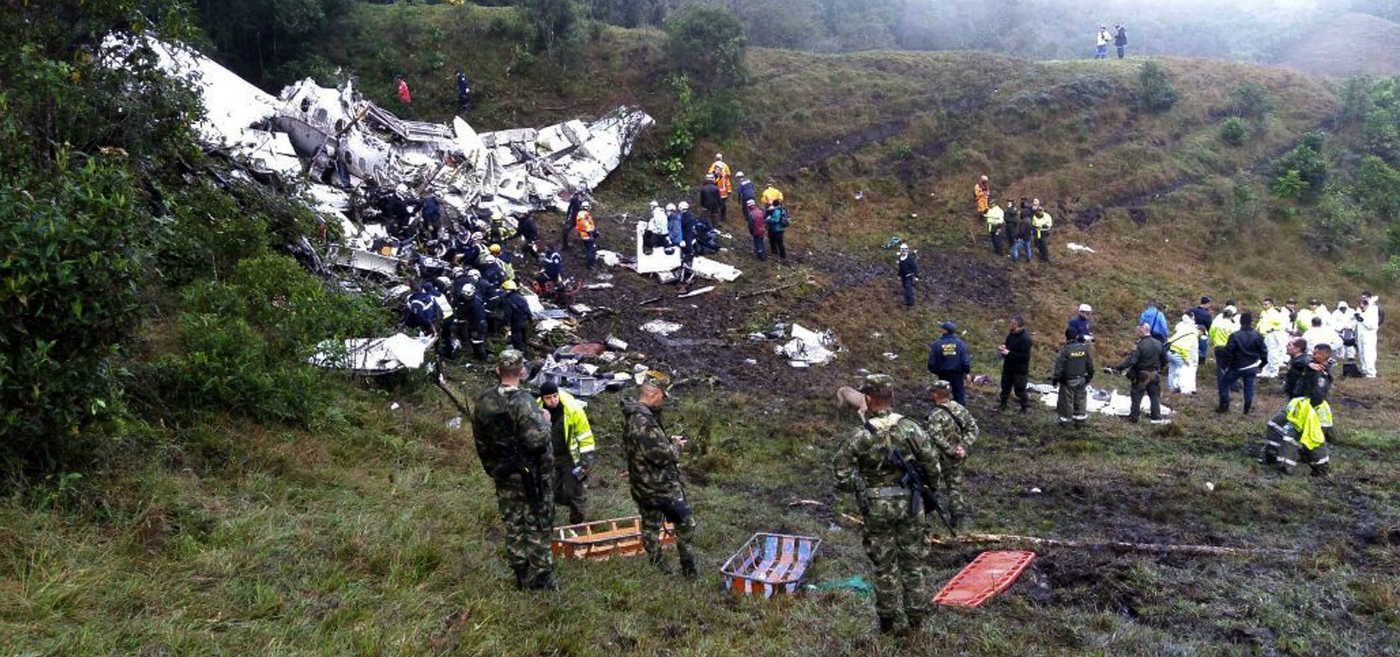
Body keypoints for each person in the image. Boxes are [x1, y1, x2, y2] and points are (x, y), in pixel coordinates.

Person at [833, 374, 940, 635]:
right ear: (891, 397)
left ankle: (887, 623)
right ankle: (916, 622)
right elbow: (933, 466)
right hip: (911, 505)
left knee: (884, 567)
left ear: (868, 399)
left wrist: (860, 487)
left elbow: (841, 473)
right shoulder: (912, 428)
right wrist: (927, 489)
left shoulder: (860, 435)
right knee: (913, 565)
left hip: (876, 507)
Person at [471, 349, 555, 590]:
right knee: (537, 522)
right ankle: (541, 577)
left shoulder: (484, 401)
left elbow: (480, 440)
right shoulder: (524, 402)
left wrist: (493, 468)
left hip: (503, 472)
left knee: (513, 523)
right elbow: (536, 441)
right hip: (531, 474)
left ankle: (520, 572)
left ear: (498, 370)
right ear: (522, 372)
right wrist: (546, 422)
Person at [620, 372, 698, 577]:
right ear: (654, 394)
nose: (663, 401)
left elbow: (646, 447)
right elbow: (663, 457)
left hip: (641, 485)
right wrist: (675, 446)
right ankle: (688, 571)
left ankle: (659, 568)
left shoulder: (633, 416)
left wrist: (663, 439)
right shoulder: (644, 422)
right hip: (660, 488)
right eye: (663, 396)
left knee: (650, 527)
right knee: (686, 524)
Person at [1262, 344, 1334, 476]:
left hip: (1306, 410)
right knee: (1278, 427)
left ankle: (1317, 468)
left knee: (1304, 438)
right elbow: (1303, 361)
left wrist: (1307, 409)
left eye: (1317, 353)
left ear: (1324, 356)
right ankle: (1275, 458)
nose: (1313, 355)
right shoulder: (1310, 365)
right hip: (1298, 406)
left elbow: (1318, 395)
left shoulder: (1320, 374)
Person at [538, 382, 596, 525]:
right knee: (552, 491)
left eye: (555, 396)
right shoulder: (535, 409)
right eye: (548, 398)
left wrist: (586, 462)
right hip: (549, 457)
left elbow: (585, 437)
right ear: (542, 399)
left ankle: (577, 523)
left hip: (569, 457)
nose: (553, 400)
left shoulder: (573, 410)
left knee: (575, 492)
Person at [925, 379, 979, 529]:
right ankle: (958, 517)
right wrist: (963, 447)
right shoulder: (960, 409)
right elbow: (973, 429)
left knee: (931, 485)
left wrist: (950, 450)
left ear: (936, 394)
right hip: (959, 457)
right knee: (954, 487)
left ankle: (927, 516)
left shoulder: (935, 415)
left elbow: (936, 436)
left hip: (940, 457)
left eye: (932, 392)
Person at [1111, 323, 1170, 424]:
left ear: (1142, 331)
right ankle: (1156, 417)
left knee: (1136, 396)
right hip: (1154, 374)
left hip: (1142, 375)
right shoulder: (1158, 343)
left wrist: (1118, 368)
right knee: (1154, 396)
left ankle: (1134, 417)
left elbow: (1131, 361)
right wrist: (1159, 368)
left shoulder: (1140, 345)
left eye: (1138, 331)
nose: (1137, 333)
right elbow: (1165, 359)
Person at [1217, 311, 1266, 415]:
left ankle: (1224, 406)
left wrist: (1225, 365)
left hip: (1237, 366)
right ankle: (1246, 409)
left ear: (1240, 322)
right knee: (1249, 387)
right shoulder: (1258, 336)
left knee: (1224, 383)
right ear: (1251, 322)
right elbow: (1264, 352)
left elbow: (1228, 352)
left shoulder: (1235, 335)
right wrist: (1262, 365)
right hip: (1252, 365)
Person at [1051, 329, 1094, 425]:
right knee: (1080, 398)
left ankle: (1066, 420)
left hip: (1068, 380)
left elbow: (1059, 366)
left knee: (1066, 400)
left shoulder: (1065, 350)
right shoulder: (1084, 349)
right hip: (1082, 379)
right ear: (1076, 336)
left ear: (1066, 337)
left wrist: (1056, 379)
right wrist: (1089, 376)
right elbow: (1089, 364)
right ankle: (1080, 418)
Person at [927, 322, 972, 405]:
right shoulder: (961, 344)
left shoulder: (937, 344)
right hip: (957, 375)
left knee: (942, 397)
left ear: (945, 331)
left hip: (943, 375)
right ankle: (959, 415)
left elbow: (931, 363)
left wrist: (938, 371)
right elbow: (965, 361)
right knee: (959, 397)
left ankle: (943, 415)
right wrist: (966, 372)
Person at [998, 315, 1032, 412]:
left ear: (1017, 324)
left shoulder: (1025, 339)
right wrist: (1004, 347)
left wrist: (1009, 353)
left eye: (1012, 323)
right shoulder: (1011, 334)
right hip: (1008, 367)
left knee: (1020, 390)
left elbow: (1025, 357)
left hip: (1019, 370)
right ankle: (1002, 405)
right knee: (1005, 387)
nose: (1010, 325)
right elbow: (1008, 345)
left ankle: (1024, 408)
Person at [1166, 312, 1199, 394]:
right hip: (1177, 352)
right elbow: (1185, 348)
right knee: (1180, 369)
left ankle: (1171, 387)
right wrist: (1187, 359)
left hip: (1169, 350)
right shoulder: (1192, 333)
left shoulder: (1180, 326)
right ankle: (1178, 388)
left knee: (1172, 370)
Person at [1259, 297, 1292, 378]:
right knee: (1269, 354)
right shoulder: (1264, 312)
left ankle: (1274, 371)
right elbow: (1261, 323)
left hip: (1272, 334)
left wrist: (1274, 329)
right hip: (1265, 335)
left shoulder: (1275, 312)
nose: (1264, 306)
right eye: (1263, 304)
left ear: (1271, 304)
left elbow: (1282, 324)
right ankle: (1268, 370)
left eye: (1266, 304)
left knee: (1273, 353)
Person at [1209, 304, 1240, 380]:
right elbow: (1235, 337)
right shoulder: (1232, 326)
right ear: (1231, 316)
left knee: (1220, 367)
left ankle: (1221, 383)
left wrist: (1213, 340)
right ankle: (1233, 384)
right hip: (1229, 347)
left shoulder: (1217, 324)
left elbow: (1211, 333)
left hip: (1218, 347)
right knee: (1231, 366)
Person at [503, 280, 532, 358]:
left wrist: (506, 324)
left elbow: (508, 314)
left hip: (516, 323)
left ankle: (520, 357)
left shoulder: (508, 300)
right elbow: (528, 310)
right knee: (524, 339)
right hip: (525, 321)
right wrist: (530, 320)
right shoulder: (521, 297)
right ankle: (526, 354)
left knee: (517, 341)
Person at [1357, 295, 1380, 378]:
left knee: (1369, 354)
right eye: (1361, 303)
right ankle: (1364, 370)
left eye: (1364, 303)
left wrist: (1363, 320)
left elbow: (1372, 326)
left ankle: (1371, 372)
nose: (1362, 305)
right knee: (1361, 353)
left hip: (1369, 337)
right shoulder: (1360, 311)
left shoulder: (1373, 312)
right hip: (1361, 337)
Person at [1191, 296, 1214, 365]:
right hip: (1202, 334)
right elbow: (1210, 326)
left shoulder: (1192, 310)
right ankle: (1201, 366)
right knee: (1202, 351)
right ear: (1207, 304)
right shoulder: (1207, 314)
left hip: (1191, 332)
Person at [710, 154, 732, 224]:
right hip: (724, 189)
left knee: (716, 203)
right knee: (723, 204)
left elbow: (710, 174)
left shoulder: (713, 165)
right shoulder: (725, 165)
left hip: (716, 188)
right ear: (721, 158)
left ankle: (716, 218)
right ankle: (723, 217)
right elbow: (729, 174)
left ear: (715, 158)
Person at [575, 201, 597, 269]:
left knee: (588, 248)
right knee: (592, 249)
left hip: (583, 234)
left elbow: (579, 226)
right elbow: (586, 226)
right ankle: (589, 265)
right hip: (587, 235)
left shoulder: (580, 214)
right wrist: (592, 233)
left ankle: (589, 261)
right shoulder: (585, 215)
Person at [898, 243, 918, 308]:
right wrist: (898, 275)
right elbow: (901, 268)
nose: (903, 251)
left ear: (907, 250)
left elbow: (914, 267)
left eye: (905, 249)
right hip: (903, 277)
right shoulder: (900, 258)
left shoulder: (909, 259)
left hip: (909, 276)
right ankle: (907, 301)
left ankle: (911, 303)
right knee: (905, 289)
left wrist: (916, 276)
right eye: (902, 249)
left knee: (908, 289)